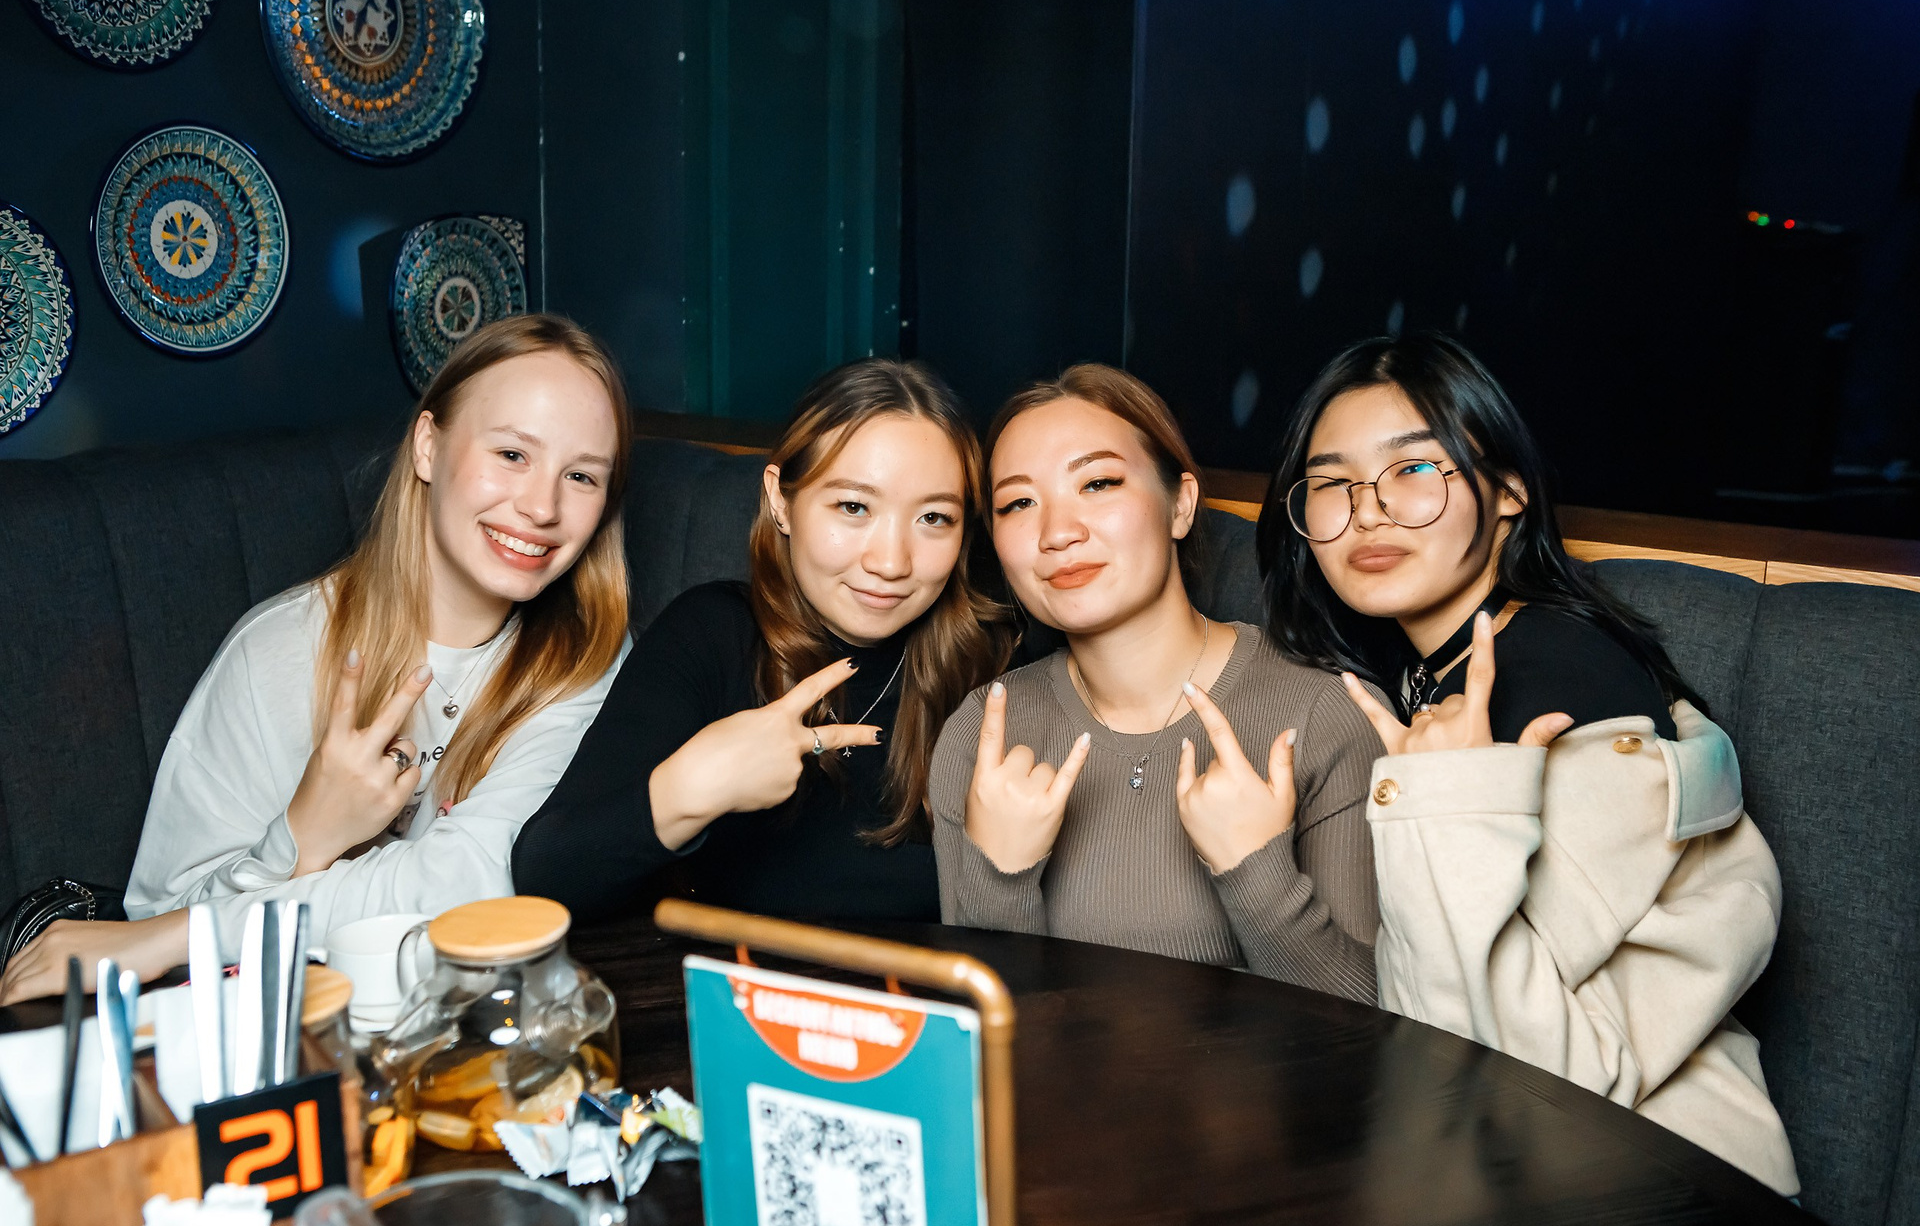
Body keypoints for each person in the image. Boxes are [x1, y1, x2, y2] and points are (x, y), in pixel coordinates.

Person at [1256, 331, 1798, 1194]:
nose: (1369, 511)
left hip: (1653, 1188)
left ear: (1508, 492)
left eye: (1414, 469)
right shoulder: (1427, 670)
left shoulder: (1566, 693)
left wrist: (1444, 798)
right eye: (1332, 484)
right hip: (1503, 1175)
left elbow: (1528, 1079)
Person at [0, 313, 633, 1002]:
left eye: (581, 476)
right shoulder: (275, 653)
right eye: (512, 454)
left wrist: (191, 930)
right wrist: (302, 834)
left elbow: (475, 880)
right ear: (428, 446)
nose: (541, 507)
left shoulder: (589, 664)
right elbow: (158, 921)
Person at [930, 364, 1381, 1001]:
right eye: (1018, 503)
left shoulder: (1326, 714)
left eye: (1098, 483)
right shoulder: (982, 735)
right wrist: (1001, 878)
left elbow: (1371, 1027)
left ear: (1181, 505)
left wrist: (1256, 873)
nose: (1058, 533)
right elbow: (981, 1028)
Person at [511, 359, 1013, 923]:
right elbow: (543, 876)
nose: (891, 562)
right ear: (781, 501)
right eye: (853, 507)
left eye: (934, 518)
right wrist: (692, 789)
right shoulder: (712, 635)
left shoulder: (996, 666)